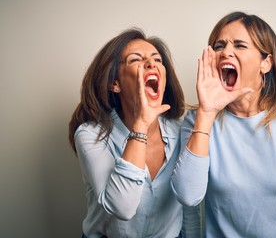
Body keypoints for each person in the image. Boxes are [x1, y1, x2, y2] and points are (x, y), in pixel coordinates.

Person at [171, 11, 276, 238]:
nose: (226, 52)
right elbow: (188, 198)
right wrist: (206, 113)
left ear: (265, 63)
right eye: (219, 46)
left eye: (239, 45)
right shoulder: (197, 121)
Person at [68, 28, 200, 238]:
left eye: (157, 59)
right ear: (115, 83)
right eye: (135, 60)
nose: (151, 63)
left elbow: (189, 204)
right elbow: (123, 208)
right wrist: (141, 124)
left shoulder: (180, 130)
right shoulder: (90, 135)